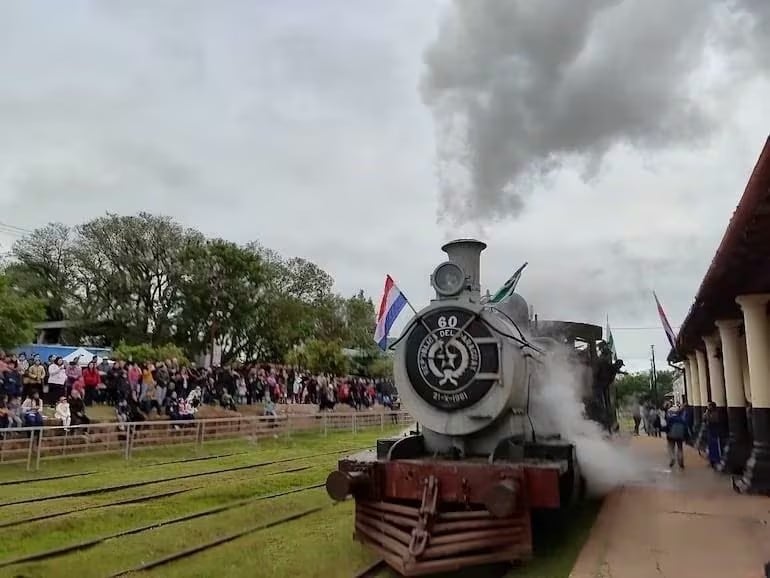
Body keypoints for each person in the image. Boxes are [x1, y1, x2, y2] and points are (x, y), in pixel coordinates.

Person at [663, 404, 687, 469]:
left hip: (671, 436)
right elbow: (685, 428)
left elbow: (667, 427)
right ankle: (681, 461)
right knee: (680, 448)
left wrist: (664, 430)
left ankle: (672, 458)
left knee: (671, 448)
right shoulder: (682, 419)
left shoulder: (670, 419)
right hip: (680, 436)